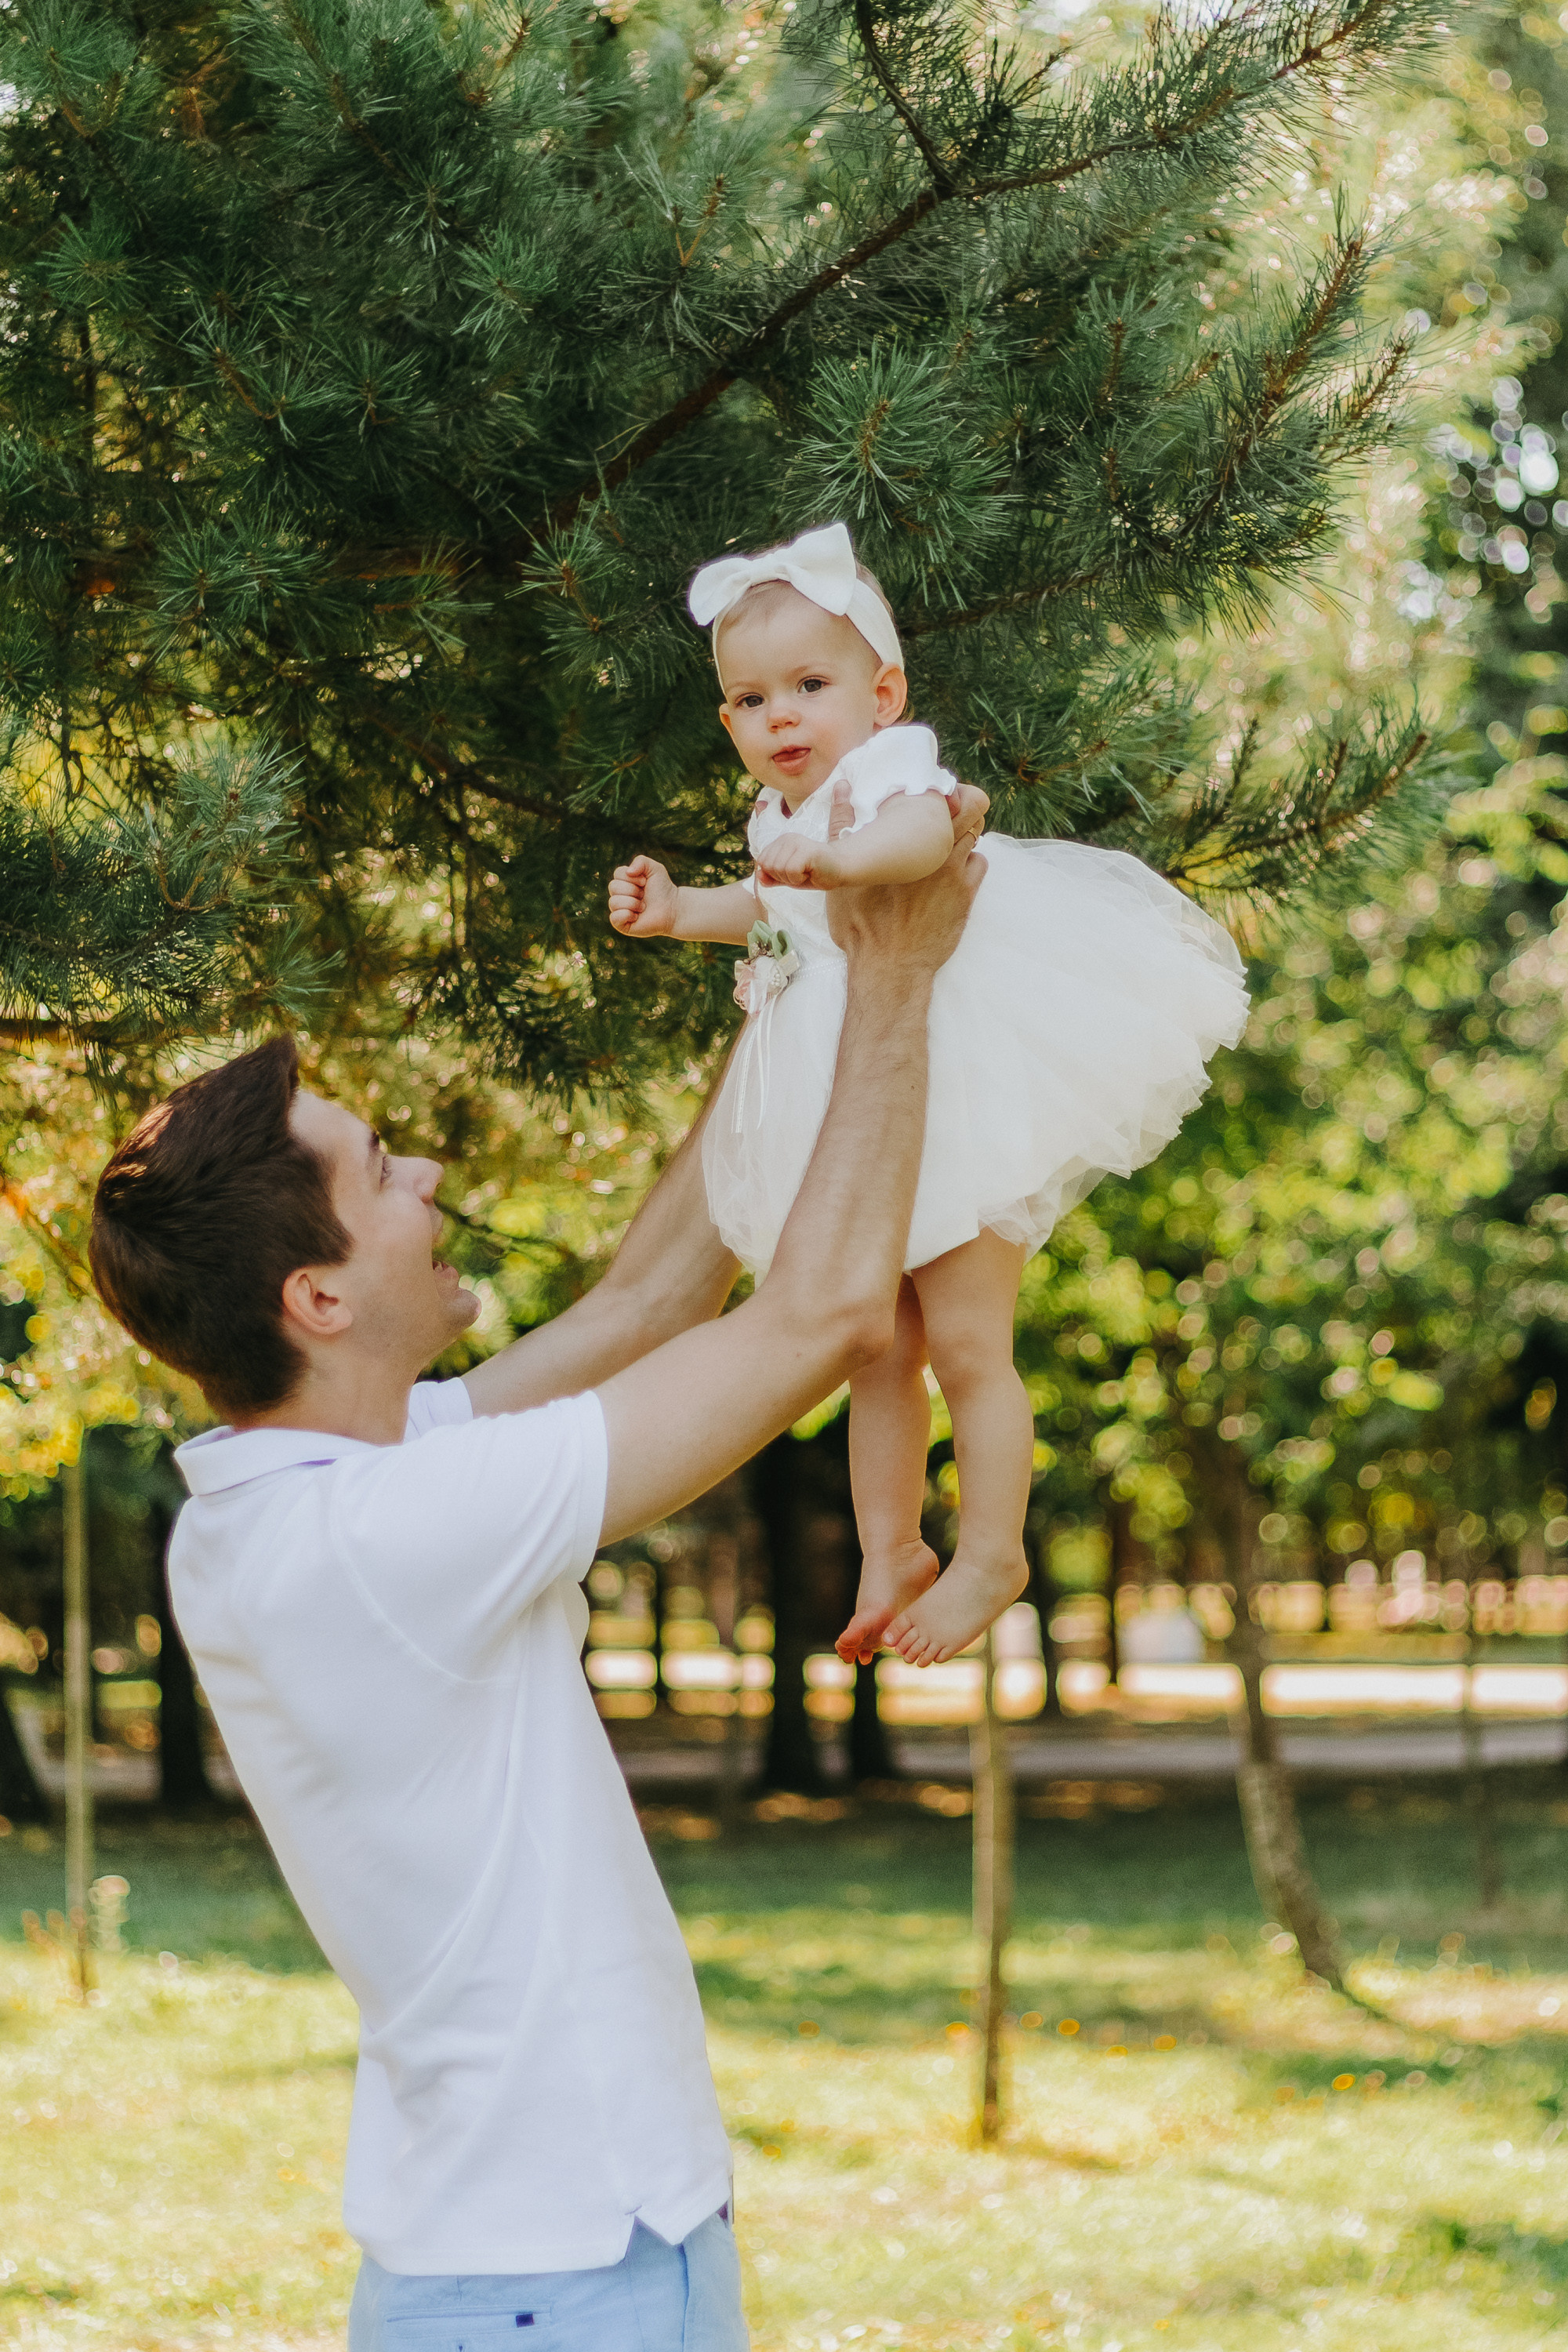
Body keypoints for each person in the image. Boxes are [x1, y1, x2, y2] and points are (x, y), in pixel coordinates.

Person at [86, 800, 985, 2352]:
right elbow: (819, 1317)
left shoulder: (310, 1487)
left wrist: (788, 983)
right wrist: (896, 973)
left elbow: (648, 1298)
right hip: (553, 2285)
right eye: (383, 1172)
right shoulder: (378, 1538)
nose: (426, 1172)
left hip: (572, 2245)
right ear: (317, 1295)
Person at [609, 521, 1249, 1671]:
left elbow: (918, 840)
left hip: (950, 1089)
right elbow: (767, 909)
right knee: (869, 1346)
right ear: (731, 727)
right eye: (754, 702)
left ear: (882, 692)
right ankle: (889, 1546)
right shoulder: (780, 828)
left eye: (810, 685)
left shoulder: (886, 777)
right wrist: (676, 910)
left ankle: (995, 1553)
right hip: (850, 1103)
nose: (784, 718)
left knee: (965, 1342)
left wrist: (841, 863)